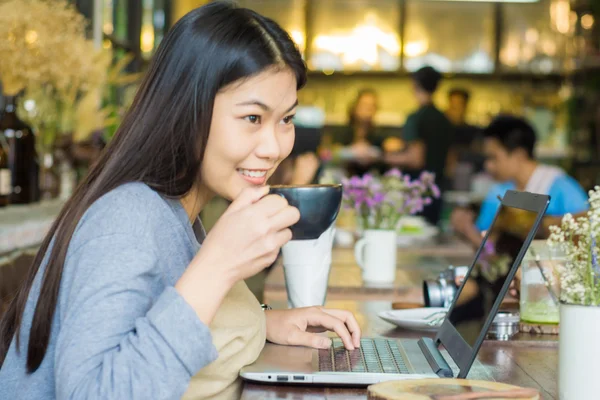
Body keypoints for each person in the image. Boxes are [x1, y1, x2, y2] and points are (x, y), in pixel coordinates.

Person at [0, 3, 362, 400]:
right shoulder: (128, 219)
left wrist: (265, 323)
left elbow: (156, 311)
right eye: (253, 119)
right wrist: (218, 265)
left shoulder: (180, 209)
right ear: (188, 110)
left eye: (286, 119)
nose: (275, 148)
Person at [451, 115, 589, 247]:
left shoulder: (563, 189)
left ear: (519, 155)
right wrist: (467, 229)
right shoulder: (498, 191)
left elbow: (585, 238)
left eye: (493, 158)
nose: (488, 165)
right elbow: (489, 245)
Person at [384, 66, 454, 225]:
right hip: (438, 189)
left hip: (417, 192)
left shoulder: (416, 118)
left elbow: (416, 159)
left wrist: (384, 157)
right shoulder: (445, 119)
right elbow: (451, 161)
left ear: (414, 85)